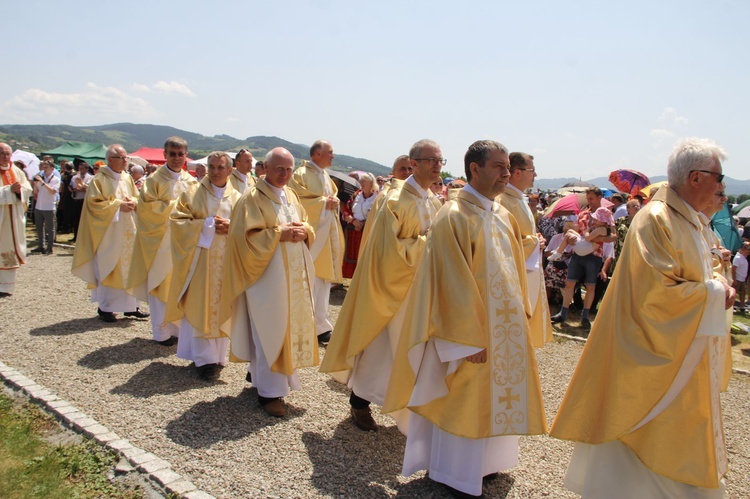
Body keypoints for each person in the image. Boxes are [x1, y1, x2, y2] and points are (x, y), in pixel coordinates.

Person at [550, 137, 734, 498]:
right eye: (718, 177)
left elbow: (700, 271)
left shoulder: (693, 221)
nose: (722, 187)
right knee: (642, 442)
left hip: (685, 350)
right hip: (651, 353)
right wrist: (714, 293)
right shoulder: (655, 219)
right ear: (695, 178)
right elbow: (654, 293)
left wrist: (716, 282)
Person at [383, 140, 547, 498]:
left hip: (503, 332)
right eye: (499, 167)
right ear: (475, 169)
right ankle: (454, 473)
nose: (507, 173)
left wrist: (519, 314)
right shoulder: (454, 216)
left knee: (495, 399)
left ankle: (487, 464)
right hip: (471, 335)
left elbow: (513, 270)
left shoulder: (501, 213)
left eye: (508, 167)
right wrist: (465, 338)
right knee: (464, 398)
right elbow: (450, 284)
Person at [321, 139, 443, 432]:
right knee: (382, 347)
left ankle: (409, 408)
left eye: (441, 161)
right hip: (392, 289)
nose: (438, 166)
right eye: (431, 160)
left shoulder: (434, 201)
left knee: (414, 352)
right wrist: (431, 242)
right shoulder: (394, 201)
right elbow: (391, 252)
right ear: (413, 164)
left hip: (421, 290)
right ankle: (359, 402)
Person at [221, 147, 318, 417]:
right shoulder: (251, 198)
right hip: (265, 278)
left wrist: (304, 231)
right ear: (265, 167)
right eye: (279, 169)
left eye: (289, 169)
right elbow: (243, 238)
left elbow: (306, 223)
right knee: (269, 330)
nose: (285, 174)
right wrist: (279, 234)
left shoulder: (291, 195)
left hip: (292, 277)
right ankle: (269, 394)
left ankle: (268, 381)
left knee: (286, 329)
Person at [165, 152, 242, 381]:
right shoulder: (191, 193)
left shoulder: (239, 198)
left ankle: (218, 356)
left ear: (230, 170)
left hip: (227, 263)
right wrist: (207, 225)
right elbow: (178, 223)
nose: (216, 171)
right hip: (200, 263)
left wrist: (232, 226)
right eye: (212, 166)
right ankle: (203, 359)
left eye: (221, 167)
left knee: (222, 306)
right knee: (202, 306)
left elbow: (248, 228)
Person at [127, 136, 199, 345]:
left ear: (186, 156)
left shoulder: (191, 182)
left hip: (184, 244)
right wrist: (179, 208)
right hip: (161, 243)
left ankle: (177, 328)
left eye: (180, 154)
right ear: (165, 155)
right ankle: (161, 332)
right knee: (161, 284)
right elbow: (148, 210)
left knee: (180, 286)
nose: (177, 158)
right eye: (172, 154)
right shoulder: (154, 181)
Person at [71, 144, 149, 322]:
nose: (124, 161)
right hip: (110, 233)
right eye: (121, 158)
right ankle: (106, 308)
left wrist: (134, 202)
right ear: (110, 160)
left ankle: (131, 307)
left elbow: (137, 197)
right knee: (110, 267)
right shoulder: (99, 180)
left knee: (131, 268)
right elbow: (94, 205)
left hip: (129, 229)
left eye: (125, 158)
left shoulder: (127, 178)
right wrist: (117, 206)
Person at [289, 140, 344, 344]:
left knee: (322, 283)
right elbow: (297, 202)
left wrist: (333, 203)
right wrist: (323, 204)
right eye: (330, 152)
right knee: (308, 281)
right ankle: (302, 324)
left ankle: (321, 325)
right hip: (312, 238)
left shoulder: (326, 176)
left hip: (326, 238)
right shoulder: (300, 174)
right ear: (318, 153)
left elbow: (330, 201)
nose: (333, 156)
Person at [500, 152, 552, 348]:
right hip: (516, 271)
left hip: (529, 266)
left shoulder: (519, 198)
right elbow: (502, 240)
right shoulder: (503, 200)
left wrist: (536, 238)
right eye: (532, 170)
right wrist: (532, 242)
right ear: (517, 172)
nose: (535, 175)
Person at [551, 187, 616, 328]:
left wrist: (600, 238)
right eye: (588, 199)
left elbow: (614, 236)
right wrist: (574, 238)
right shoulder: (584, 214)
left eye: (592, 198)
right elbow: (579, 231)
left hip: (594, 255)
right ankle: (563, 313)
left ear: (599, 198)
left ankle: (585, 316)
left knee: (590, 286)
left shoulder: (606, 215)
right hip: (579, 253)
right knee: (570, 283)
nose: (589, 202)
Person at [0, 143, 33, 295]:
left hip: (12, 218)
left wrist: (20, 191)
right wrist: (8, 190)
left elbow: (28, 189)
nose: (6, 157)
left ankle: (5, 286)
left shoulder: (16, 171)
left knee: (8, 249)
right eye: (2, 153)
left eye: (8, 154)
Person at [340, 172, 377, 279]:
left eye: (364, 181)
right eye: (361, 181)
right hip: (352, 231)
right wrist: (353, 221)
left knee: (364, 257)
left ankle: (362, 281)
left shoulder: (377, 198)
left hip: (367, 232)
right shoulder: (356, 195)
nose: (362, 183)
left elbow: (379, 215)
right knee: (350, 255)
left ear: (372, 184)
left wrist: (364, 224)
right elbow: (346, 211)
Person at [548, 207, 615, 260]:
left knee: (568, 235)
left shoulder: (600, 229)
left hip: (585, 248)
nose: (595, 220)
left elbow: (587, 238)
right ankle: (559, 250)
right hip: (586, 246)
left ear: (603, 221)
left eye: (597, 219)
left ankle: (558, 252)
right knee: (570, 231)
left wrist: (588, 230)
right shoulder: (604, 229)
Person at [31, 160, 61, 255]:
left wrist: (42, 182)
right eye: (44, 166)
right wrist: (35, 184)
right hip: (39, 206)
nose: (44, 168)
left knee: (50, 228)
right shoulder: (41, 177)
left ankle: (50, 247)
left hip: (49, 206)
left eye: (47, 166)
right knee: (39, 227)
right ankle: (41, 246)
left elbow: (52, 191)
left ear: (52, 168)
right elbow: (35, 192)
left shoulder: (55, 179)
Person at [70, 160, 94, 242]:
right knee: (75, 219)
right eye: (79, 168)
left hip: (83, 201)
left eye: (82, 168)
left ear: (86, 169)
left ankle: (83, 237)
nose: (80, 170)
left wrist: (80, 188)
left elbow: (86, 188)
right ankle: (75, 236)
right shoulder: (74, 177)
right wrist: (73, 189)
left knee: (83, 220)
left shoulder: (90, 177)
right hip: (75, 200)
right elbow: (70, 186)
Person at [732, 242, 750, 313]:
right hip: (737, 279)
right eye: (748, 250)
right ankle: (731, 306)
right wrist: (734, 279)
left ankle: (742, 306)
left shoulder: (744, 258)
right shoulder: (738, 258)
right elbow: (733, 269)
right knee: (734, 292)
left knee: (743, 292)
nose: (749, 252)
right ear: (743, 249)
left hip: (742, 279)